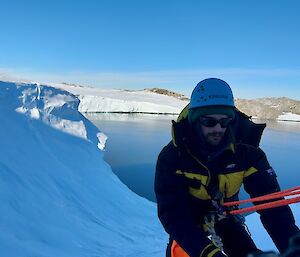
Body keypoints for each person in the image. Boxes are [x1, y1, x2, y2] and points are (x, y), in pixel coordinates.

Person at [155, 78, 299, 257]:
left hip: (226, 219)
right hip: (189, 226)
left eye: (224, 122)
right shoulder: (173, 157)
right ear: (195, 121)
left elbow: (272, 207)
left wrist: (292, 244)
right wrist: (210, 253)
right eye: (209, 122)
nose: (218, 128)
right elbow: (173, 215)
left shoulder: (247, 153)